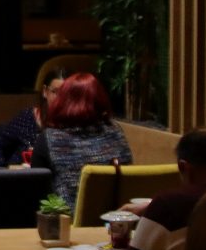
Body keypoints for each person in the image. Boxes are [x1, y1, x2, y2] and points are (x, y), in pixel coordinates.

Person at [31, 71, 132, 205]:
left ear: (63, 101)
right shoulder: (116, 132)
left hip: (67, 217)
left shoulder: (49, 138)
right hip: (117, 215)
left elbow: (36, 192)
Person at [0, 70, 66, 167]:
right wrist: (1, 170)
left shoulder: (73, 126)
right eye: (55, 92)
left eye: (65, 93)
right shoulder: (28, 118)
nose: (60, 98)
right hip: (19, 174)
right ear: (45, 91)